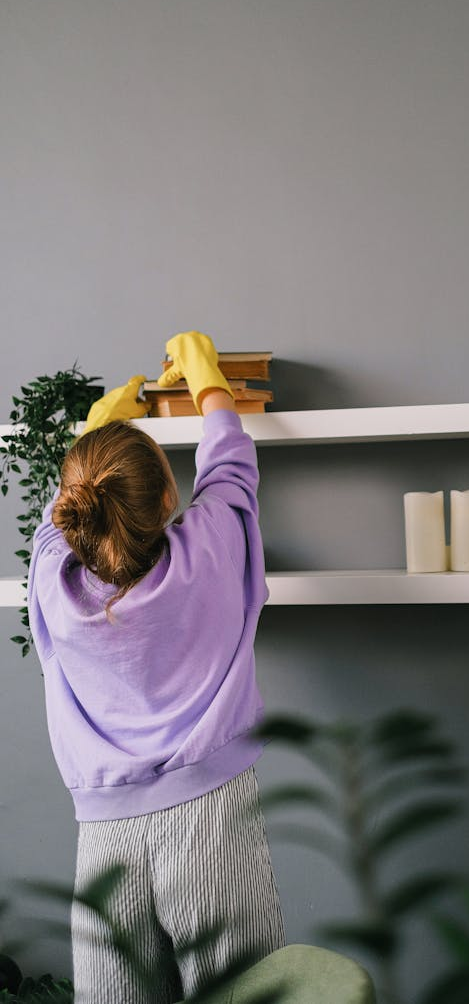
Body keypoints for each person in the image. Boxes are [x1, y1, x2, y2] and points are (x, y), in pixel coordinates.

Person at [27, 331, 285, 1004]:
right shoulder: (208, 549)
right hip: (211, 817)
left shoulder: (53, 576)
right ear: (167, 500)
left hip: (103, 835)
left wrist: (95, 428)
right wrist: (209, 385)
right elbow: (231, 469)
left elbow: (58, 521)